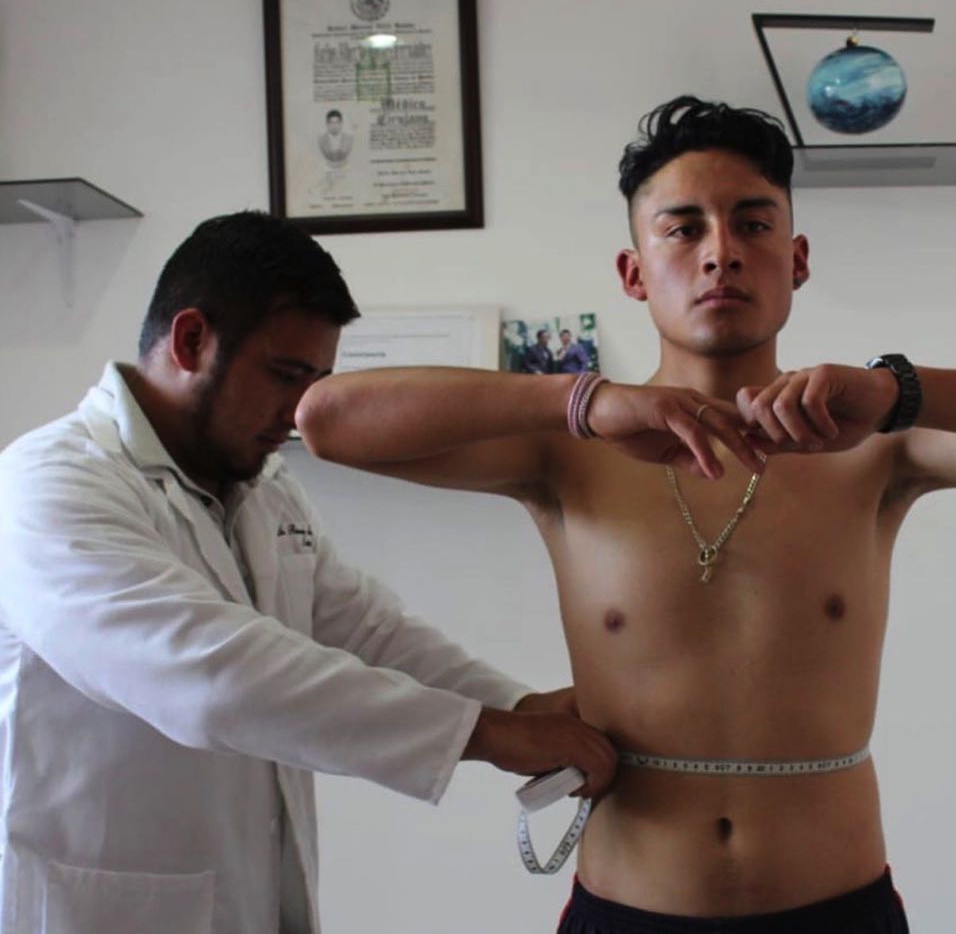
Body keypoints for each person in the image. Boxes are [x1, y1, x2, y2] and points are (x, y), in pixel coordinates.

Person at [295, 96, 956, 932]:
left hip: (839, 910)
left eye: (753, 225)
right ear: (634, 272)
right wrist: (583, 401)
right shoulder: (570, 453)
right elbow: (325, 419)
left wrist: (899, 390)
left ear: (796, 260)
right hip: (627, 909)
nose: (721, 252)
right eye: (683, 229)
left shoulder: (875, 448)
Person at [0, 211, 619, 934]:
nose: (299, 412)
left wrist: (518, 704)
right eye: (286, 376)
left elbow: (365, 629)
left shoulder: (262, 486)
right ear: (191, 340)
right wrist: (486, 733)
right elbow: (207, 675)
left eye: (317, 382)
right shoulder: (46, 486)